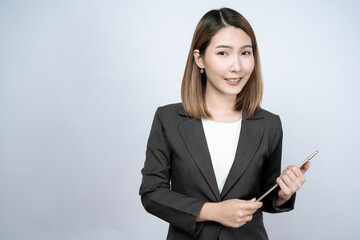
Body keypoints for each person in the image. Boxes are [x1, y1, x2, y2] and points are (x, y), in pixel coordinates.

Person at [139, 7, 310, 240]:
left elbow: (265, 198)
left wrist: (283, 193)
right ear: (199, 58)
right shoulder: (167, 119)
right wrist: (212, 211)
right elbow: (152, 193)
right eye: (223, 53)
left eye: (245, 53)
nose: (237, 66)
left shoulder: (269, 124)